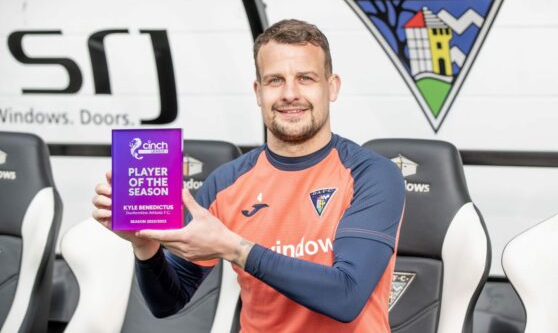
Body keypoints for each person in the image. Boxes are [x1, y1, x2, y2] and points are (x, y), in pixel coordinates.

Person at [93, 19, 405, 332]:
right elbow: (168, 302)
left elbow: (346, 296)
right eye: (275, 81)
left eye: (306, 78)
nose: (290, 94)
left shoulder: (372, 175)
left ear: (331, 86)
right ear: (258, 91)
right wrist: (145, 248)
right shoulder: (226, 182)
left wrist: (234, 247)